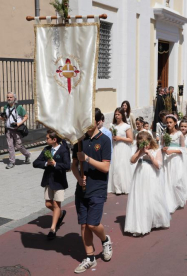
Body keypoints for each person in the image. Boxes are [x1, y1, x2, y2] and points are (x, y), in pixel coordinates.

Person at [71, 108, 112, 273]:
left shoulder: (104, 141)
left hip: (98, 187)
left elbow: (105, 167)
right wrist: (78, 178)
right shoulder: (79, 141)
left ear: (97, 122)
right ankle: (90, 258)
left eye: (88, 122)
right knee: (83, 225)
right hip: (81, 189)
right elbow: (74, 165)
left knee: (93, 224)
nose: (85, 126)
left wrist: (87, 159)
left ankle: (105, 240)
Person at [125, 131, 170, 236]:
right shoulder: (139, 150)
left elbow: (159, 165)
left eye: (146, 143)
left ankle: (153, 220)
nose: (145, 146)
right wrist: (139, 152)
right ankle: (140, 225)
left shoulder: (156, 150)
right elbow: (132, 161)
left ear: (150, 141)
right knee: (140, 198)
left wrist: (150, 155)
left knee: (151, 198)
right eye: (142, 144)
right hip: (140, 176)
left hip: (151, 176)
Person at [33, 129, 70, 240]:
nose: (46, 140)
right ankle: (60, 213)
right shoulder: (46, 149)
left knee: (56, 204)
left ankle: (52, 229)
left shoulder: (63, 150)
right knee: (48, 204)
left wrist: (55, 164)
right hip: (49, 180)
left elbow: (67, 166)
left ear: (54, 140)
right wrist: (46, 163)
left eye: (47, 138)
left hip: (59, 182)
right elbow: (35, 163)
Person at [0, 91, 31, 169]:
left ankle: (27, 154)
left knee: (19, 145)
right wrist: (2, 118)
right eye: (8, 97)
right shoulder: (5, 107)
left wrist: (19, 123)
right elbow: (5, 118)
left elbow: (26, 116)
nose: (9, 98)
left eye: (11, 97)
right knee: (10, 146)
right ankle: (12, 162)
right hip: (8, 129)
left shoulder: (19, 107)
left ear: (14, 98)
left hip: (16, 129)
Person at [162, 114, 186, 213]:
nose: (168, 124)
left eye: (170, 122)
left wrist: (173, 151)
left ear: (175, 123)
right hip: (167, 159)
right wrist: (163, 149)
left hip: (176, 159)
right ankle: (170, 202)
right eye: (167, 122)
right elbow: (161, 146)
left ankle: (178, 198)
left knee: (176, 181)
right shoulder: (164, 134)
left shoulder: (179, 134)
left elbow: (183, 149)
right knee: (168, 180)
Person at [107, 108, 133, 194]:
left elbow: (130, 139)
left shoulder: (126, 126)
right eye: (115, 114)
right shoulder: (112, 126)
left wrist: (120, 138)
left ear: (122, 115)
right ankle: (117, 187)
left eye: (118, 114)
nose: (117, 116)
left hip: (124, 148)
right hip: (116, 148)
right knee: (116, 167)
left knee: (123, 167)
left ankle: (125, 186)